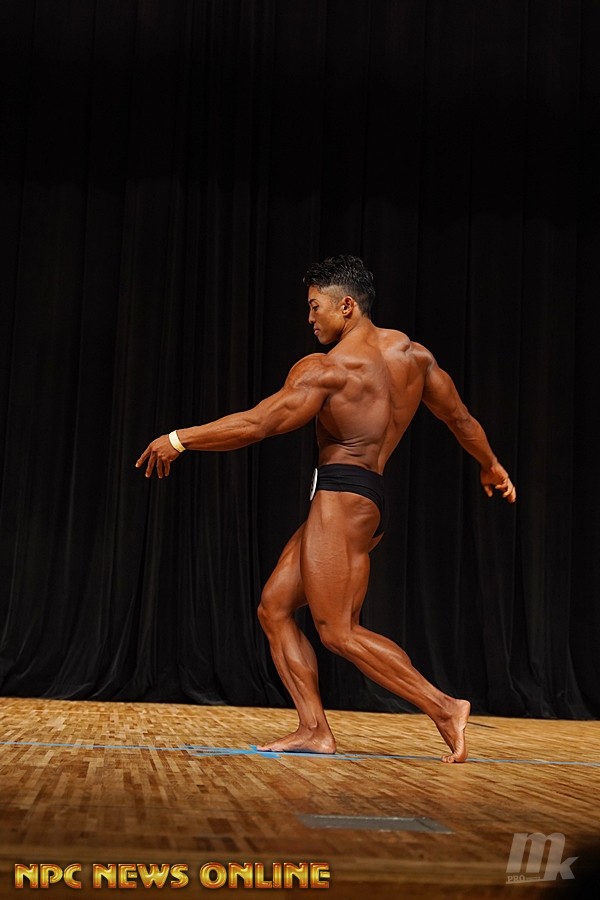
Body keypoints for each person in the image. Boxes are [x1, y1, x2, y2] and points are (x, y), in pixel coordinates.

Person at [136, 255, 516, 763]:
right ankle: (314, 729)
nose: (310, 318)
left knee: (339, 631)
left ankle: (445, 707)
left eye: (316, 307)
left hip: (340, 499)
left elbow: (258, 424)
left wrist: (179, 439)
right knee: (274, 608)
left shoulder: (327, 369)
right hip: (367, 496)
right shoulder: (414, 357)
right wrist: (491, 465)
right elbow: (461, 419)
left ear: (347, 305)